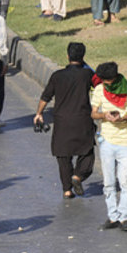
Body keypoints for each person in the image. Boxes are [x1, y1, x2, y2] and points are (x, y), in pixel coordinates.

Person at [35, 41, 96, 199]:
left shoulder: (57, 76)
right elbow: (99, 83)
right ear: (83, 56)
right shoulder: (87, 75)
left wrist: (39, 113)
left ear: (67, 56)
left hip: (62, 122)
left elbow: (45, 97)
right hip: (83, 120)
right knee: (87, 152)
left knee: (63, 156)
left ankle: (67, 190)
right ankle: (78, 175)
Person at [90, 62, 127, 232]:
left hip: (125, 140)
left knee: (125, 181)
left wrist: (122, 118)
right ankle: (113, 216)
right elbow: (93, 113)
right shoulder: (99, 90)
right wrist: (104, 115)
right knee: (109, 182)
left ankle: (124, 217)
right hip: (107, 141)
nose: (106, 84)